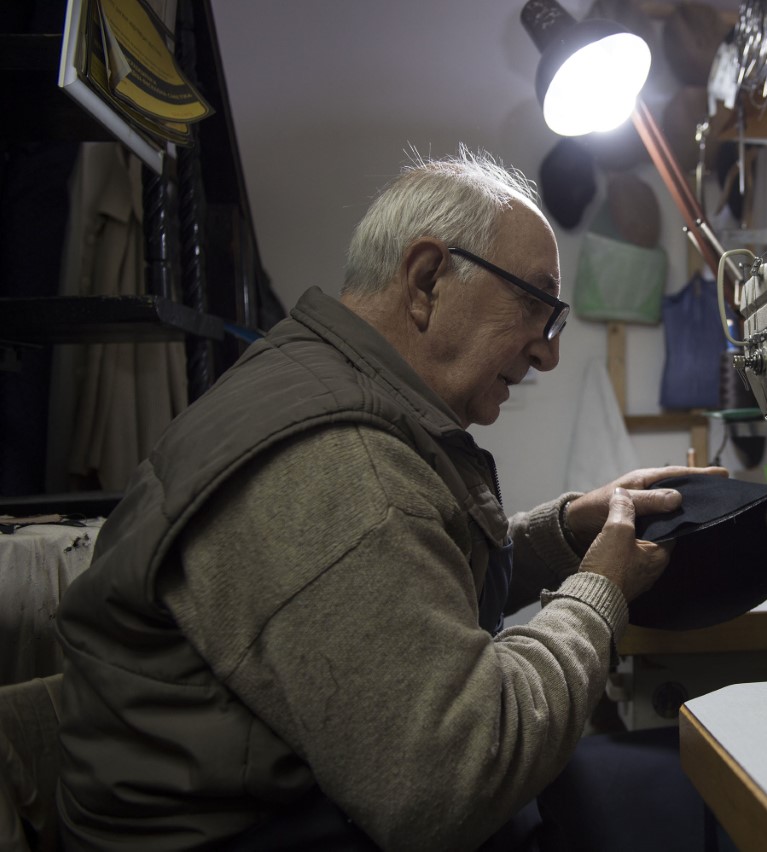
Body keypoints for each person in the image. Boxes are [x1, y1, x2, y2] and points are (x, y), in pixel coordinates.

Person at [54, 146, 722, 850]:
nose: (547, 353)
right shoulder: (340, 466)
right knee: (695, 797)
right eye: (534, 304)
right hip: (260, 835)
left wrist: (560, 537)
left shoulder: (314, 380)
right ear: (427, 279)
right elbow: (457, 779)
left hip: (281, 805)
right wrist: (597, 595)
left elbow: (400, 578)